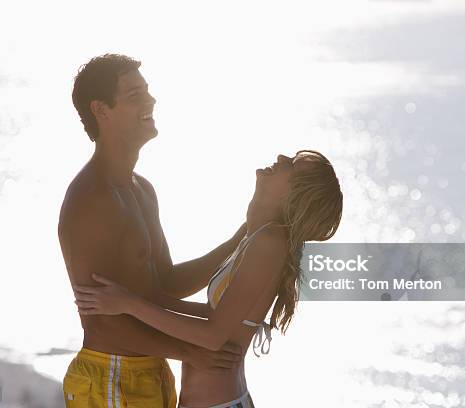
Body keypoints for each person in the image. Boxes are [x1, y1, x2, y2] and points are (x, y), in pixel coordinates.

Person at [73, 150, 344, 407]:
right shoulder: (259, 238)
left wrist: (130, 304)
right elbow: (215, 316)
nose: (283, 158)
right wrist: (150, 300)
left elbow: (212, 336)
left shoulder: (270, 243)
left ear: (295, 195)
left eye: (293, 165)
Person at [59, 53, 246, 408]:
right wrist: (190, 350)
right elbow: (102, 325)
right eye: (135, 95)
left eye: (147, 91)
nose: (151, 100)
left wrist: (239, 241)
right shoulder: (91, 199)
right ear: (101, 110)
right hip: (110, 377)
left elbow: (167, 284)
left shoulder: (141, 189)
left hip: (150, 370)